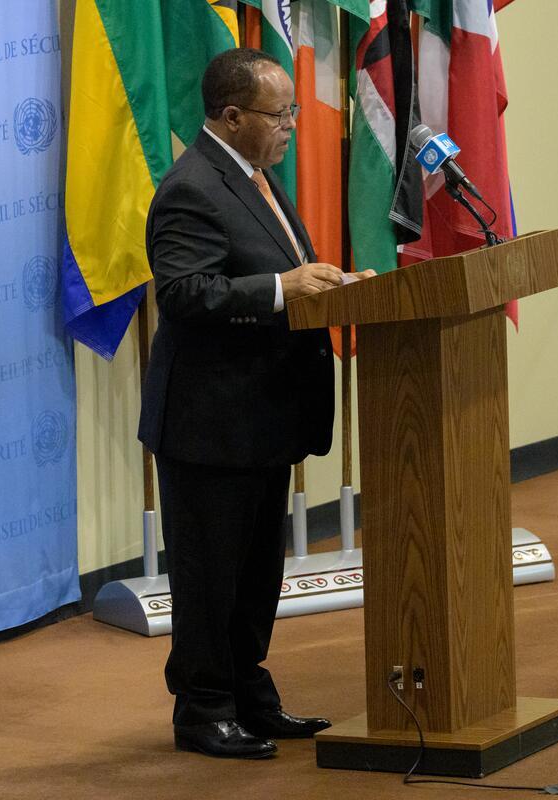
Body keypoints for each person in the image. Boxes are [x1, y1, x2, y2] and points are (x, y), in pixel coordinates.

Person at [137, 48, 372, 759]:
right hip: (210, 422)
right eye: (281, 114)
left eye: (293, 111)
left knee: (255, 573)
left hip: (262, 416)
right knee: (211, 576)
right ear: (232, 116)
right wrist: (282, 289)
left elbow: (276, 272)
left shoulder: (255, 179)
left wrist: (331, 286)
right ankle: (203, 709)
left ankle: (248, 694)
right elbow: (183, 293)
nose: (293, 125)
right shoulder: (191, 188)